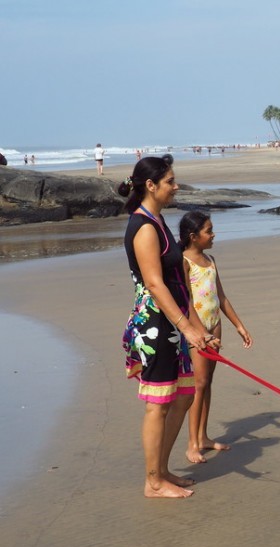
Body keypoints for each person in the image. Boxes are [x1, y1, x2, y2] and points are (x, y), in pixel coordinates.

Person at [120, 154, 219, 498]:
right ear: (150, 185)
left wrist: (198, 328)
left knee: (185, 394)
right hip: (156, 324)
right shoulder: (144, 226)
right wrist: (187, 328)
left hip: (173, 322)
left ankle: (161, 470)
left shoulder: (158, 220)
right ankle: (153, 481)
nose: (176, 187)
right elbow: (156, 284)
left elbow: (180, 283)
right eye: (170, 182)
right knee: (158, 403)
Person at [179, 211, 253, 464]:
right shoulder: (184, 262)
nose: (213, 234)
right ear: (193, 236)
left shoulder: (210, 260)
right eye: (208, 231)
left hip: (215, 324)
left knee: (208, 381)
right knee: (198, 384)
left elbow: (220, 297)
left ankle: (203, 437)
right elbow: (186, 301)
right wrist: (202, 334)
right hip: (196, 330)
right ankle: (192, 444)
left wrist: (238, 325)